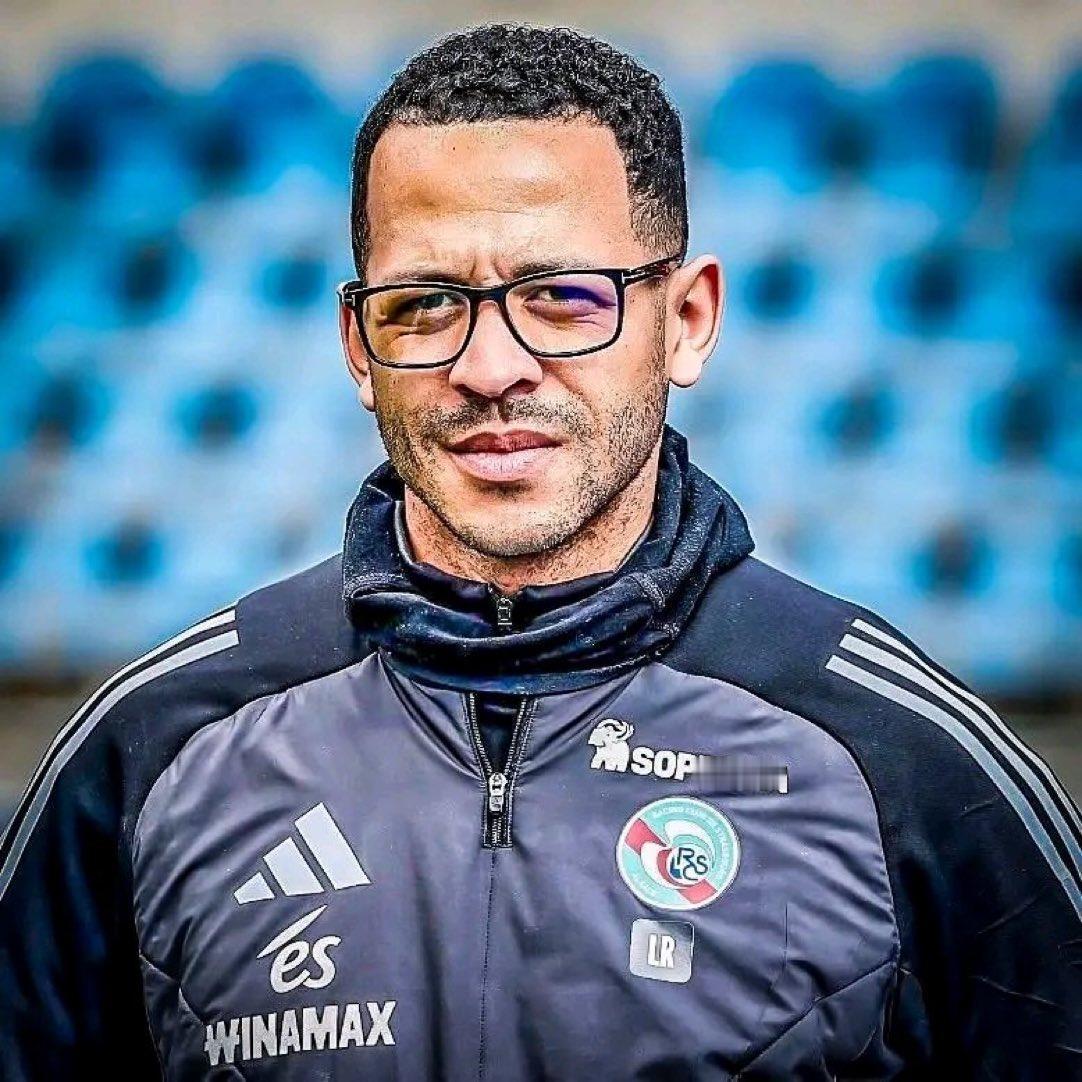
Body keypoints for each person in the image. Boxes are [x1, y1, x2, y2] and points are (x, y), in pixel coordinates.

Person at [1, 22, 1078, 1081]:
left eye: (562, 296)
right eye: (425, 303)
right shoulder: (148, 752)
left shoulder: (911, 767)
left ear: (687, 320)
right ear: (358, 347)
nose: (488, 366)